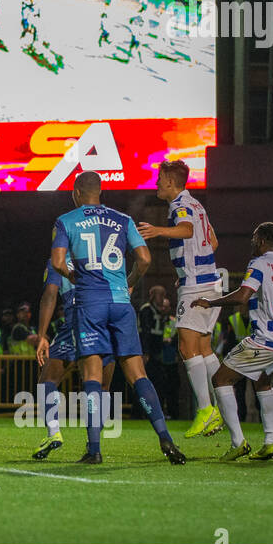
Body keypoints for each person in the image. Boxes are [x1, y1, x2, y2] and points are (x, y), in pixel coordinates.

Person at [51, 170, 185, 465]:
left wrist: (72, 274)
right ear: (101, 192)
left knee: (92, 378)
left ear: (76, 193)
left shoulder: (66, 221)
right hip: (121, 302)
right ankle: (165, 438)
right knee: (138, 374)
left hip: (90, 303)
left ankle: (94, 449)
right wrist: (130, 280)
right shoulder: (122, 219)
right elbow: (146, 259)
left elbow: (58, 262)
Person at [196, 222, 273, 461]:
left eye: (253, 238)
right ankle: (271, 443)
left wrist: (210, 302)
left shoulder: (259, 264)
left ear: (260, 240)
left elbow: (243, 296)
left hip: (267, 338)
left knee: (220, 379)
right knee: (262, 381)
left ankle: (238, 443)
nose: (252, 242)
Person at [136, 159, 224, 438]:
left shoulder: (179, 206)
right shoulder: (198, 204)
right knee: (204, 348)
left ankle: (206, 409)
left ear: (171, 182)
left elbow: (186, 230)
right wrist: (186, 267)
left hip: (196, 285)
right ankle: (222, 405)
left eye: (159, 179)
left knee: (187, 348)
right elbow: (213, 242)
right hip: (210, 279)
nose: (156, 183)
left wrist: (158, 230)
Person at [34, 257, 115, 459]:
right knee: (102, 386)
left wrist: (42, 335)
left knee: (47, 382)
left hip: (78, 318)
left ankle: (54, 433)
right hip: (109, 318)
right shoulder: (101, 252)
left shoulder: (59, 258)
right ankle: (93, 446)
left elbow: (50, 294)